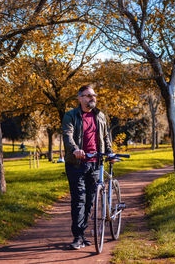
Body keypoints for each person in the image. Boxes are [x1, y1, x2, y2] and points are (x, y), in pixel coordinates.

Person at [62, 85, 113, 250]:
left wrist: (110, 153)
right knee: (79, 200)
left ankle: (83, 234)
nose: (93, 98)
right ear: (80, 98)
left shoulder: (100, 116)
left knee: (90, 200)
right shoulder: (71, 115)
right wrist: (75, 149)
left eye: (94, 95)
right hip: (77, 163)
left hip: (96, 163)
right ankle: (77, 237)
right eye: (88, 95)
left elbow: (105, 137)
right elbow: (68, 135)